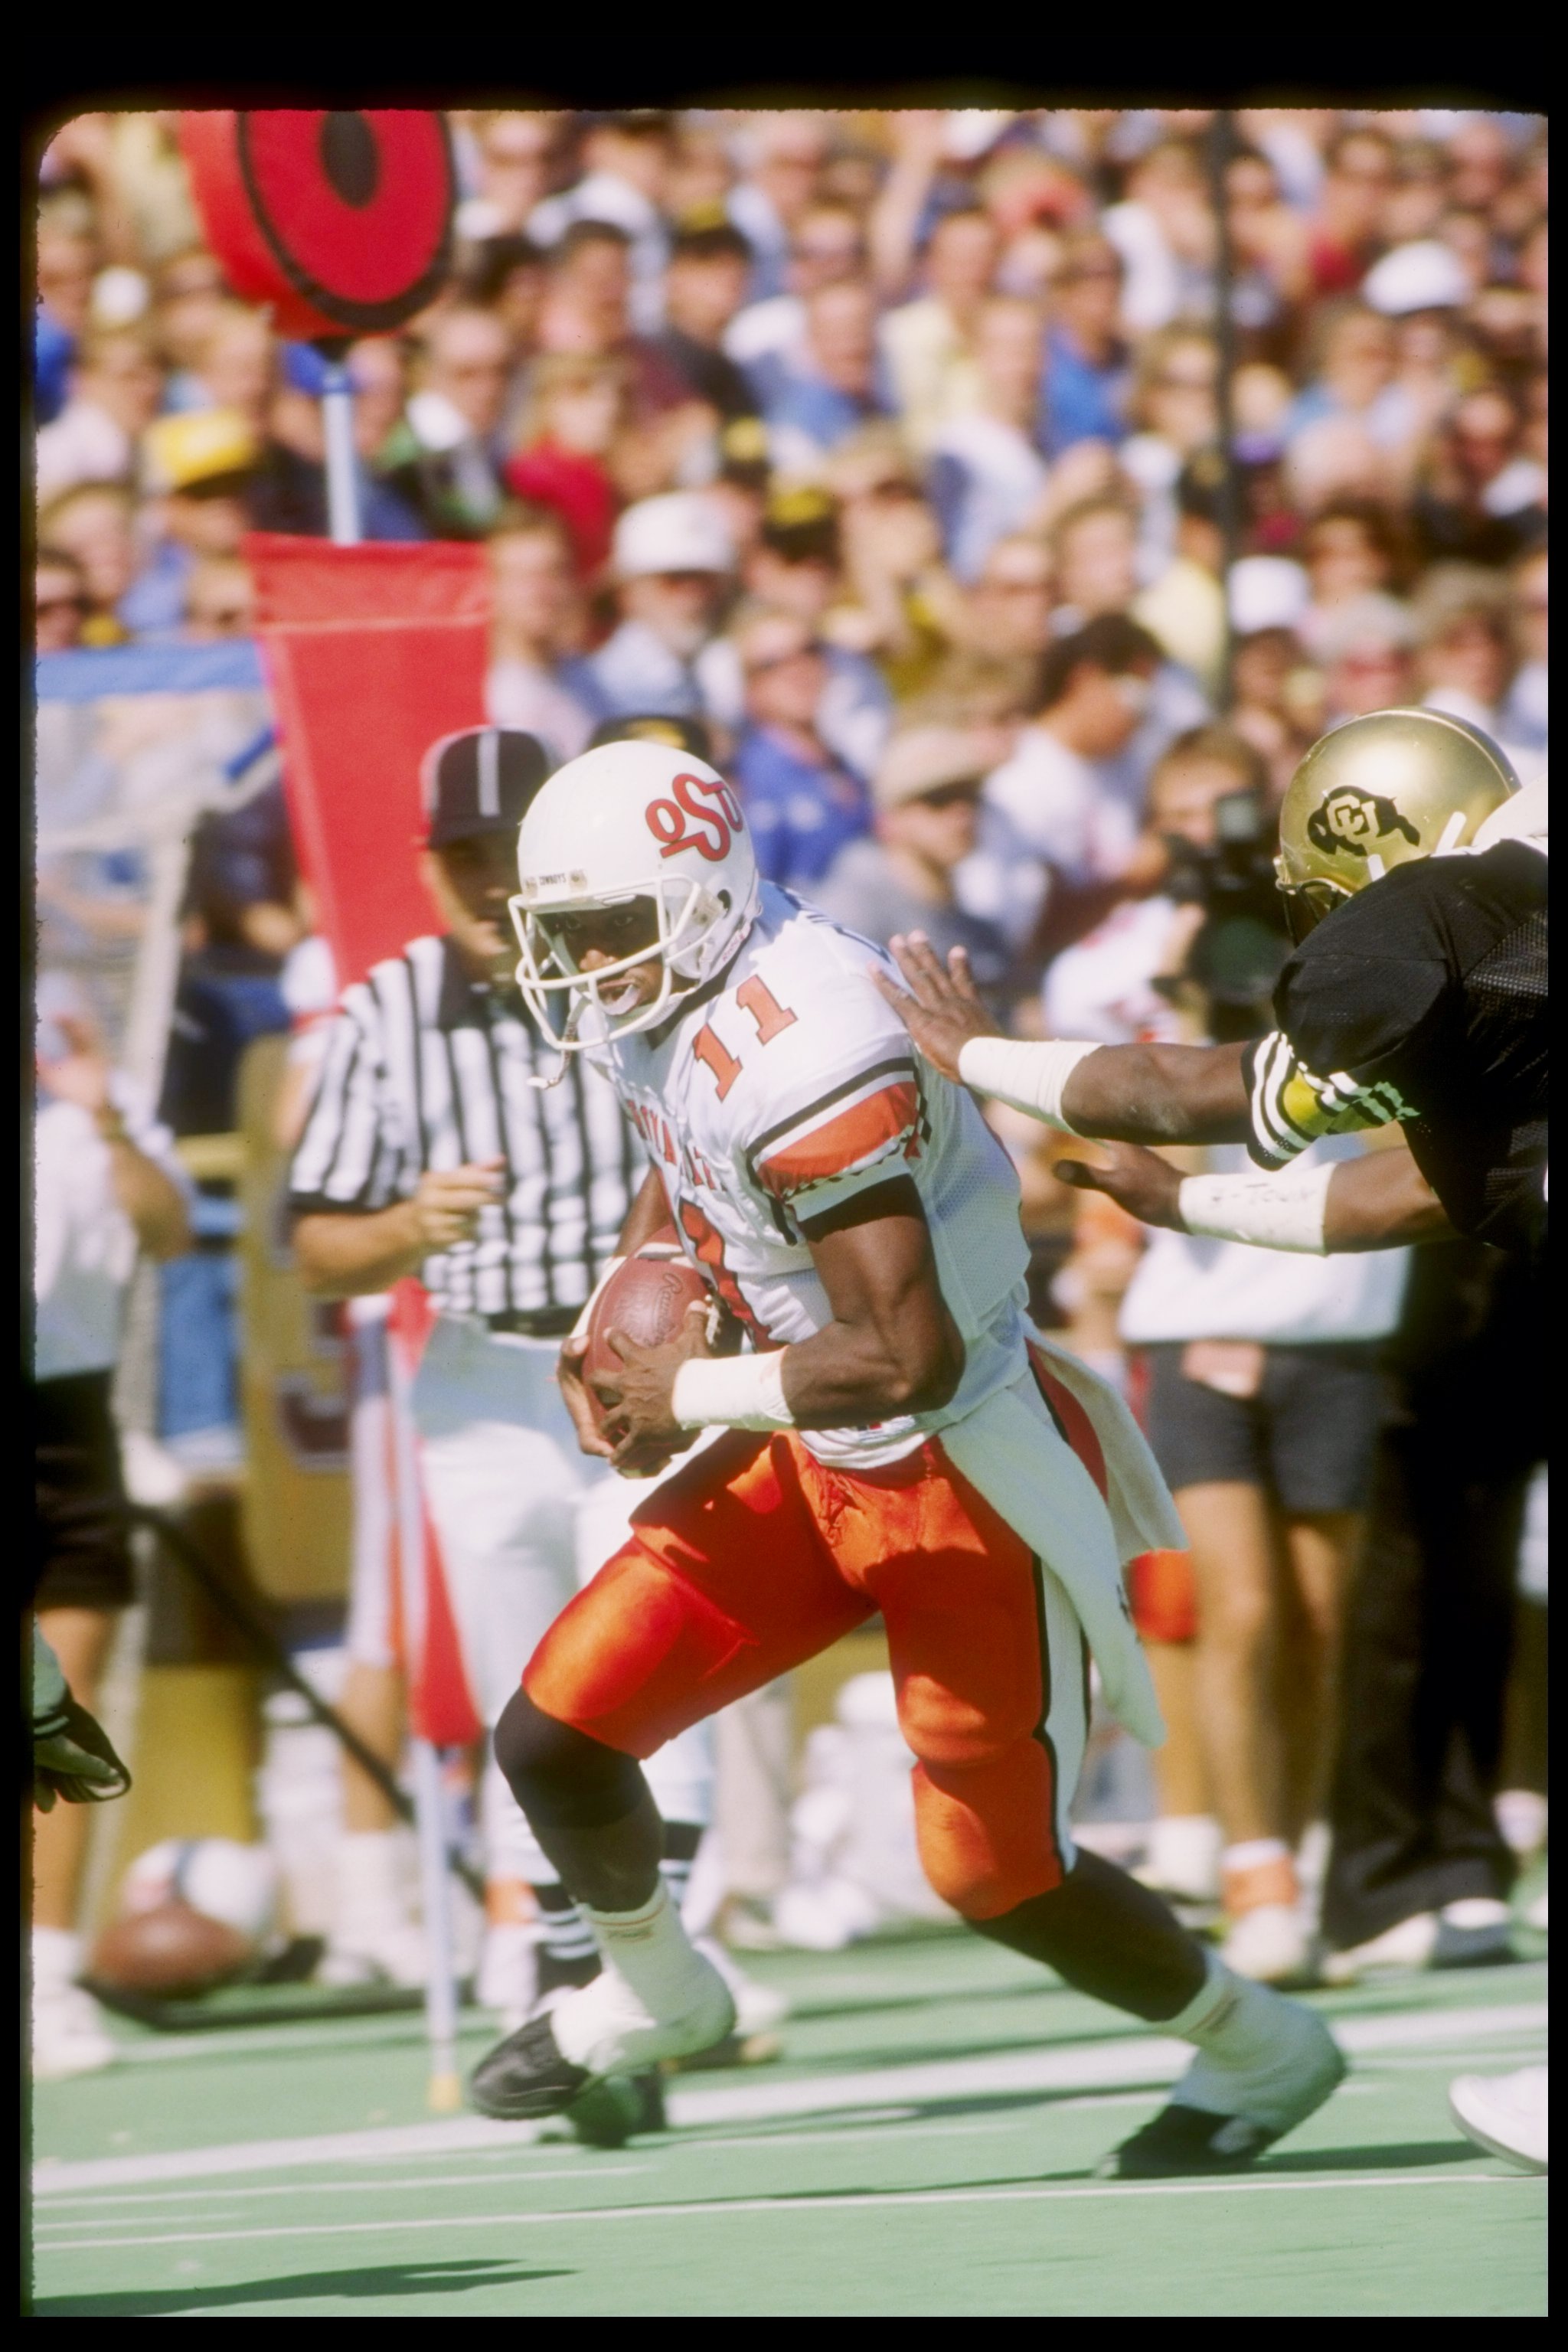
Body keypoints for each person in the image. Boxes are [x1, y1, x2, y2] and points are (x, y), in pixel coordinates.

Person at [467, 734, 1346, 2182]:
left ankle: (1262, 2043)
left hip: (953, 1461)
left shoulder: (817, 1047)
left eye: (608, 931)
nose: (586, 964)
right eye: (565, 935)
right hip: (804, 1441)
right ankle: (662, 1989)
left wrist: (689, 1380)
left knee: (991, 1870)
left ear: (694, 899)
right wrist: (640, 1290)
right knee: (554, 1734)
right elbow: (690, 1147)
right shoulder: (697, 967)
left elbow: (902, 1354)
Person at [31, 988, 191, 2078]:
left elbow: (170, 1228)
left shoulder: (83, 1088)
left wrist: (104, 1117)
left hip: (70, 1417)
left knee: (56, 1722)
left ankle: (45, 1978)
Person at [814, 723, 1011, 991]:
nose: (962, 814)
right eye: (939, 800)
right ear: (888, 819)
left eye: (970, 797)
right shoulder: (847, 918)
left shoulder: (978, 932)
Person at [569, 492, 742, 737]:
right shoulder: (605, 682)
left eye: (705, 581)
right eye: (674, 580)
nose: (694, 596)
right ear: (628, 591)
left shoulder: (715, 667)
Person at [729, 609, 872, 894]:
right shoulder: (751, 781)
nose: (798, 669)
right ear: (749, 689)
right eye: (772, 664)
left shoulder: (844, 765)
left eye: (809, 651)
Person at [485, 506, 596, 760]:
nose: (541, 592)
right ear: (490, 587)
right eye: (522, 577)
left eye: (554, 571)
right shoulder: (492, 701)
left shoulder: (587, 677)